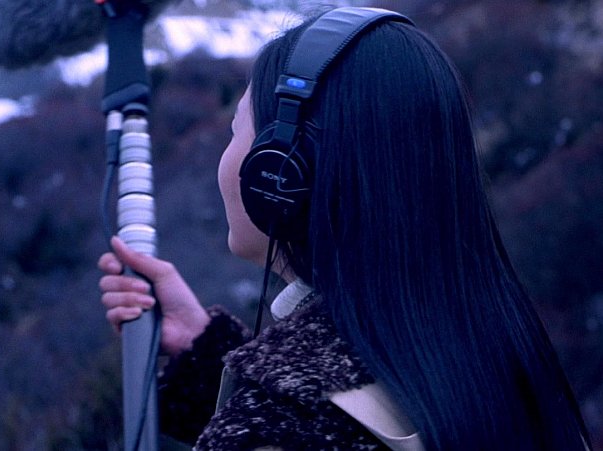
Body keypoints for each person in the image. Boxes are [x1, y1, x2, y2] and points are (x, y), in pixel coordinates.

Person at [98, 7, 590, 450]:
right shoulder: (502, 361)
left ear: (278, 171)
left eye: (235, 131)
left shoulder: (282, 427)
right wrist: (204, 352)